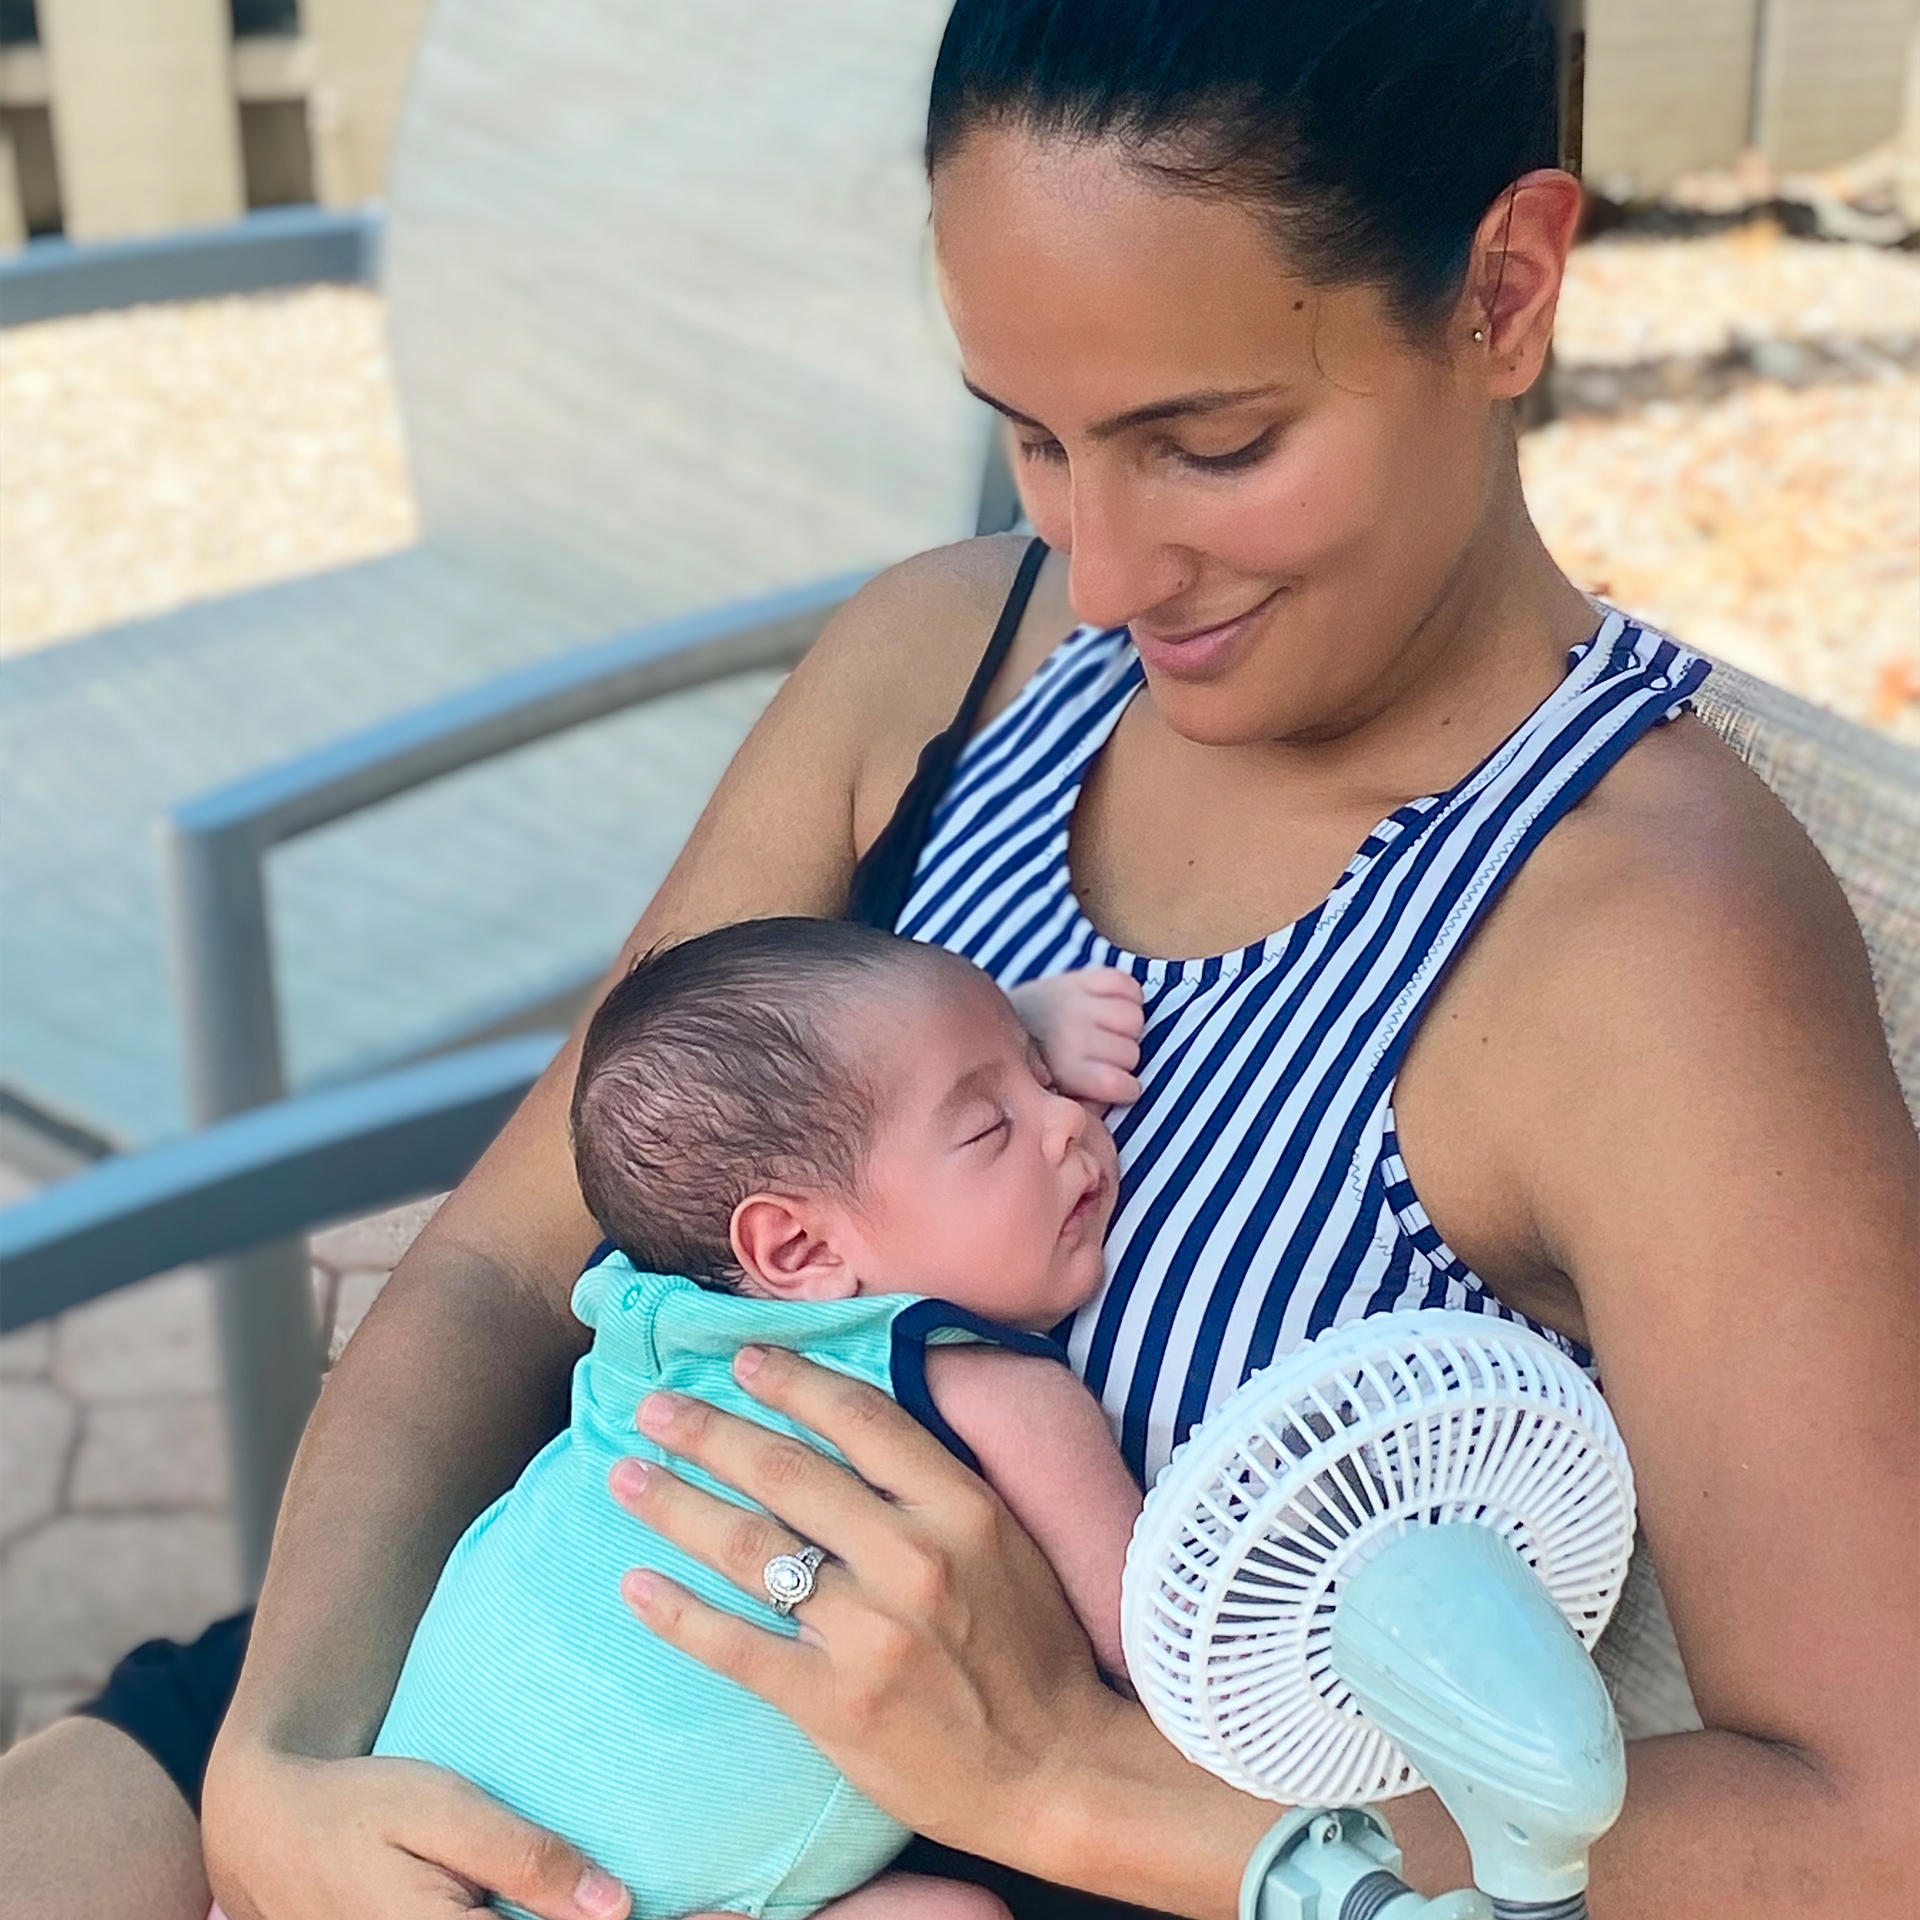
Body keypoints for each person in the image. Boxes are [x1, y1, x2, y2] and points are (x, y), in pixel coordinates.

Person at [2, 2, 1913, 1916]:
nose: (1101, 577)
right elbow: (513, 1259)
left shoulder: (1641, 937)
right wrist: (285, 1760)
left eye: (1213, 444)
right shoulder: (945, 663)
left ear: (1504, 291)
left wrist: (1065, 1777)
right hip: (492, 1698)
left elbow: (1864, 1829)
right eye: (1033, 440)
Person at [368, 919, 1142, 1920]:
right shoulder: (979, 1387)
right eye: (988, 1128)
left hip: (420, 1839)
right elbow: (1150, 1643)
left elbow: (727, 1152)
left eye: (1044, 1079)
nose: (1068, 1123)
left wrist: (1005, 1037)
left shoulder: (645, 1312)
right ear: (794, 1247)